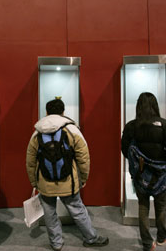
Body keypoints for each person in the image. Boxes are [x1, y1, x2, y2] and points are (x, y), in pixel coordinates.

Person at [26, 98, 109, 251]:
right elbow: (83, 157)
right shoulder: (71, 130)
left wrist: (34, 182)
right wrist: (83, 178)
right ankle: (91, 238)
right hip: (68, 181)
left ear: (46, 112)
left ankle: (56, 243)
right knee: (77, 209)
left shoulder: (37, 132)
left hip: (45, 182)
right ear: (63, 112)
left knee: (49, 213)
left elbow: (30, 160)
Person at [121, 92, 166, 251]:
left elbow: (125, 150)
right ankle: (161, 236)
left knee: (143, 206)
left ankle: (148, 243)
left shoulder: (131, 126)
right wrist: (162, 162)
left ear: (138, 106)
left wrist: (141, 163)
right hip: (160, 176)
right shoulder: (164, 125)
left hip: (140, 175)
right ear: (155, 105)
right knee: (161, 206)